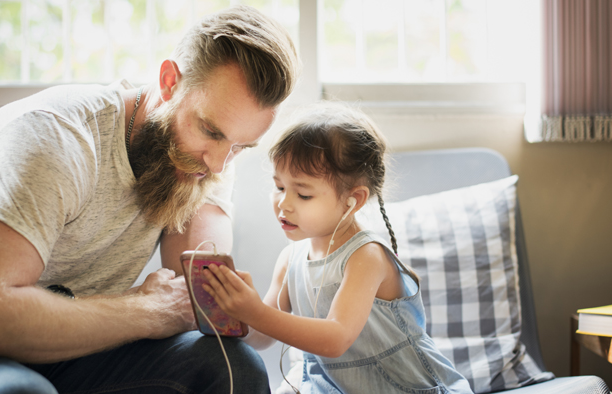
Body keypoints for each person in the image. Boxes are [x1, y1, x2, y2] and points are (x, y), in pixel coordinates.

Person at [0, 5, 299, 393]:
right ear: (169, 82)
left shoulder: (207, 160)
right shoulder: (55, 139)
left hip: (73, 344)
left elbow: (197, 295)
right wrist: (148, 311)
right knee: (18, 391)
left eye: (242, 147)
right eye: (211, 131)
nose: (218, 164)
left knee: (234, 369)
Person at [202, 104, 474, 393]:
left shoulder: (366, 256)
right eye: (279, 187)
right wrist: (234, 314)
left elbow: (336, 339)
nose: (284, 204)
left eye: (303, 194)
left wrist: (255, 311)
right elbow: (261, 336)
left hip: (402, 386)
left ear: (353, 200)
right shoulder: (290, 259)